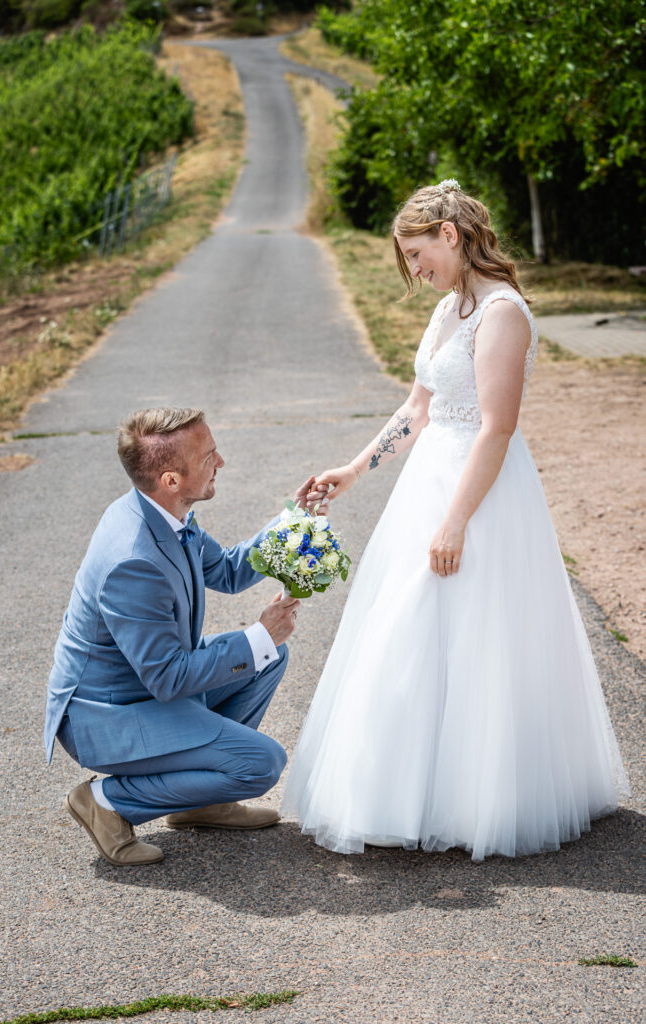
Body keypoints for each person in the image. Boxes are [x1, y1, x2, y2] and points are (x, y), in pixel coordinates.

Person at [281, 180, 630, 860]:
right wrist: (354, 469)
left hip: (478, 494)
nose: (415, 270)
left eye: (417, 254)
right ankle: (406, 791)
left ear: (450, 234)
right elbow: (418, 409)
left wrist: (455, 522)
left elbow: (496, 428)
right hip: (427, 480)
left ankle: (474, 799)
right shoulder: (449, 308)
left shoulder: (501, 313)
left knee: (472, 634)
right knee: (413, 630)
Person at [45, 406, 312, 866]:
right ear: (171, 479)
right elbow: (168, 678)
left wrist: (294, 521)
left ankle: (199, 801)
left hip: (147, 687)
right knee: (261, 762)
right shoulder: (134, 560)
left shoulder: (162, 511)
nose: (221, 462)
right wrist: (260, 634)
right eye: (209, 457)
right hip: (108, 716)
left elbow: (226, 570)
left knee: (268, 656)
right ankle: (105, 802)